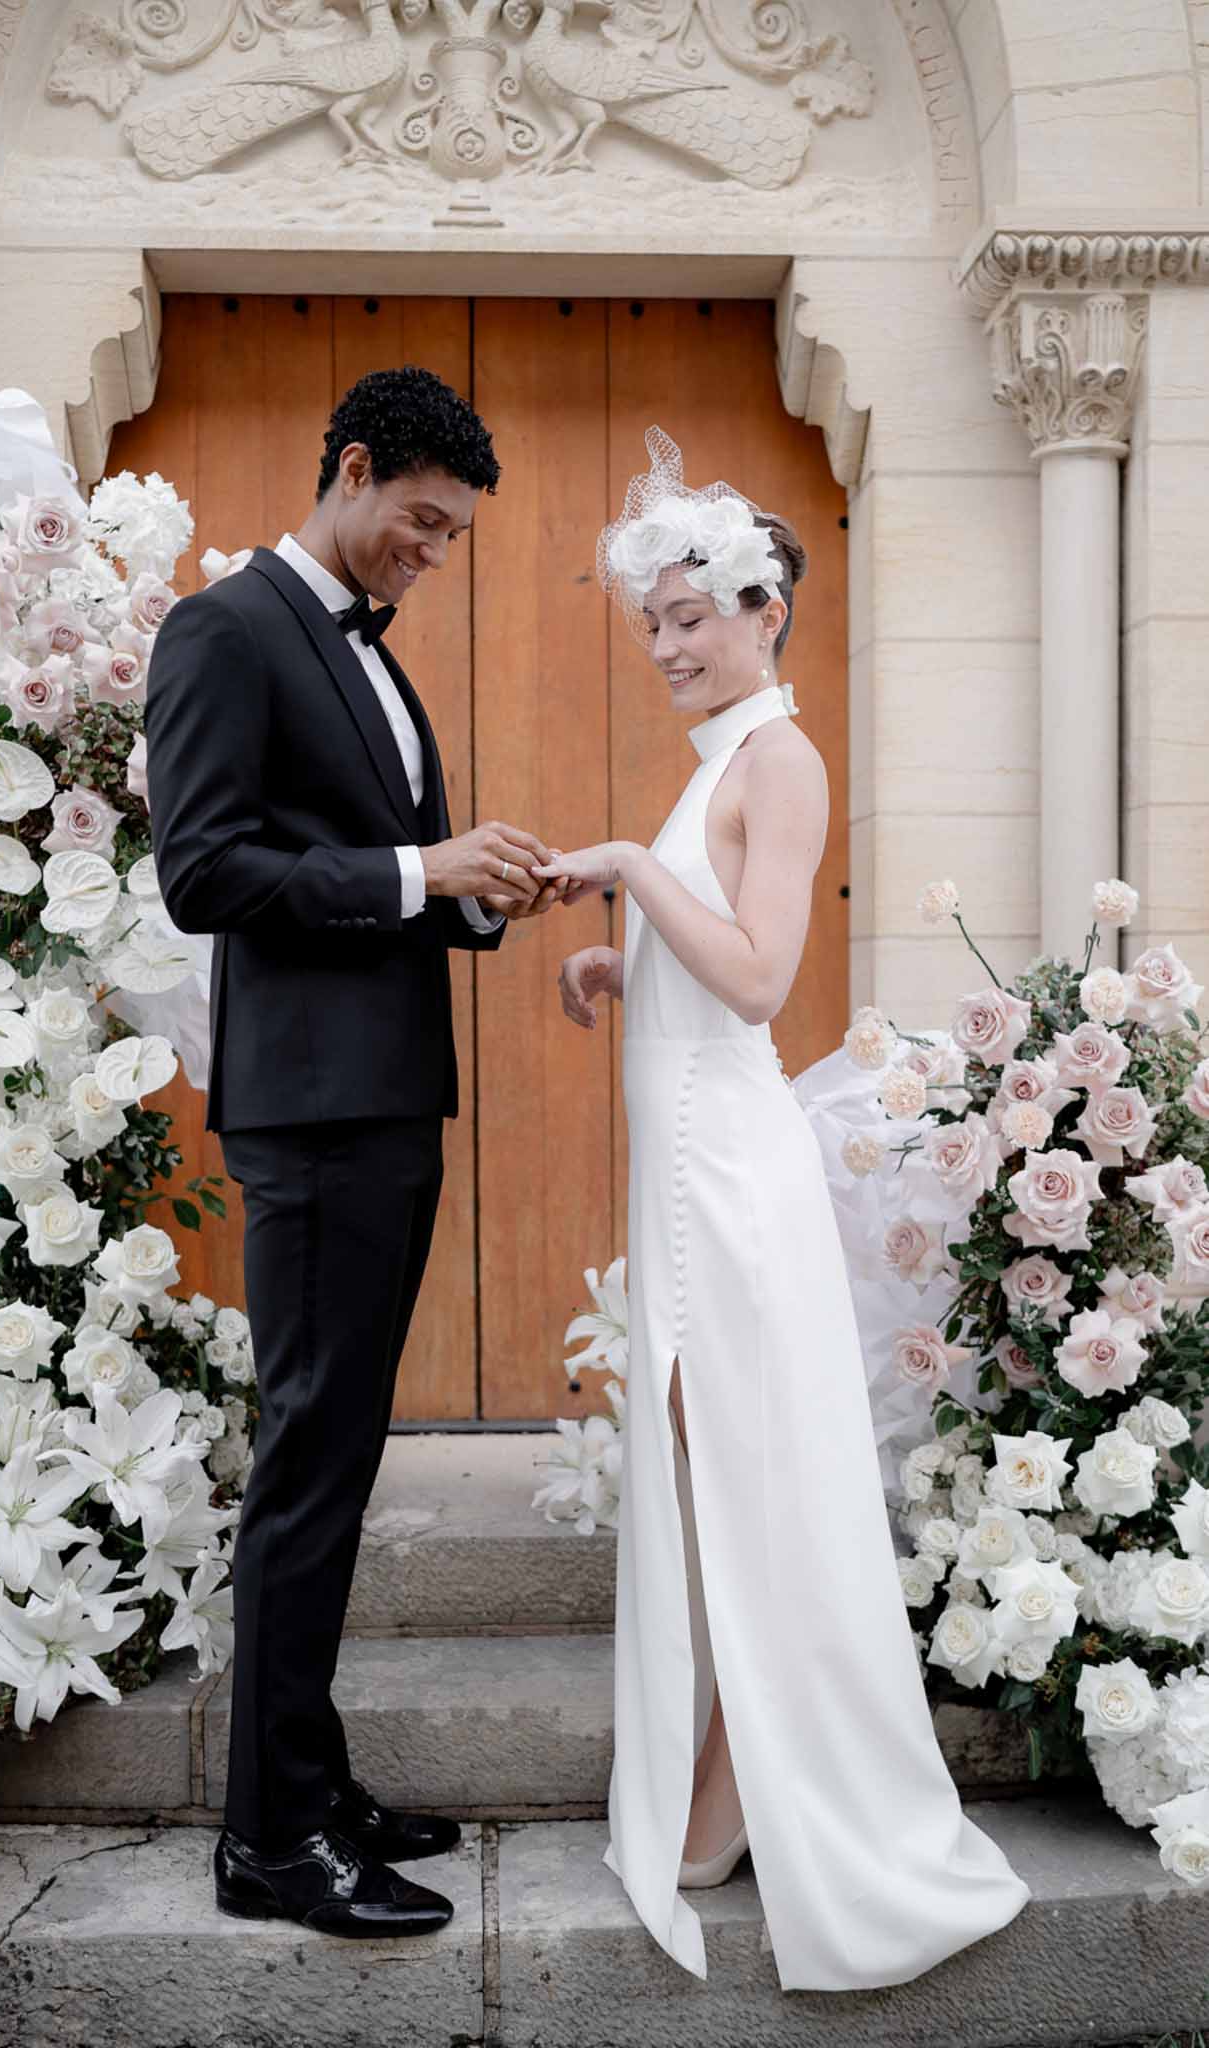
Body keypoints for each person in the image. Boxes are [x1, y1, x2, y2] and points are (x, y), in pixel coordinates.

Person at [535, 428, 1031, 1992]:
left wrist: (621, 868)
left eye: (693, 615)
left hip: (727, 1181)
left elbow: (758, 979)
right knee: (713, 1481)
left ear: (763, 609)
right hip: (686, 1171)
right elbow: (711, 958)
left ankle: (746, 1783)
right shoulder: (728, 769)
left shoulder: (784, 759)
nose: (668, 644)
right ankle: (728, 1767)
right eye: (653, 623)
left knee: (747, 1481)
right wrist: (631, 958)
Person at [145, 366, 561, 1939]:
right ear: (352, 465)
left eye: (452, 540)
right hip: (310, 1117)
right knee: (308, 1466)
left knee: (338, 1456)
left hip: (384, 1103)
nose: (430, 555)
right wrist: (414, 869)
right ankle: (268, 1842)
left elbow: (377, 871)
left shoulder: (366, 655)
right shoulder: (226, 628)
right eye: (421, 523)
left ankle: (309, 1784)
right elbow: (204, 871)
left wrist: (470, 889)